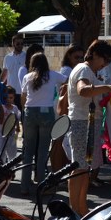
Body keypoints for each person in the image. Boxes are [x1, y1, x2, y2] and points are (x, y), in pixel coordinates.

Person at [67, 40, 111, 216]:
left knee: (84, 170)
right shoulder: (84, 70)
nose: (105, 65)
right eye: (104, 60)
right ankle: (75, 209)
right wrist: (107, 87)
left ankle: (80, 207)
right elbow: (82, 90)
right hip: (81, 122)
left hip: (88, 122)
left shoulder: (90, 71)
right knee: (79, 169)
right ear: (95, 54)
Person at [20, 52, 68, 195]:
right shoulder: (52, 75)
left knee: (28, 150)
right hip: (46, 113)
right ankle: (41, 184)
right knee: (42, 151)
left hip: (30, 112)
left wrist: (24, 113)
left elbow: (23, 97)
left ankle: (24, 186)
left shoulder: (27, 77)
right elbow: (68, 80)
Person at [0, 86, 21, 161]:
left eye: (11, 98)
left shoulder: (15, 108)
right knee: (0, 153)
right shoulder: (0, 108)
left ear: (14, 98)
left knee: (12, 153)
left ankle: (11, 170)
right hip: (0, 134)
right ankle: (0, 169)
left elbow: (16, 119)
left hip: (11, 135)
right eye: (6, 98)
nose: (8, 100)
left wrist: (18, 127)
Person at [1, 35, 26, 100]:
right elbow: (4, 73)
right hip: (11, 92)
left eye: (22, 43)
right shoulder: (7, 57)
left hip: (23, 92)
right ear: (13, 44)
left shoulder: (26, 56)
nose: (20, 45)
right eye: (18, 44)